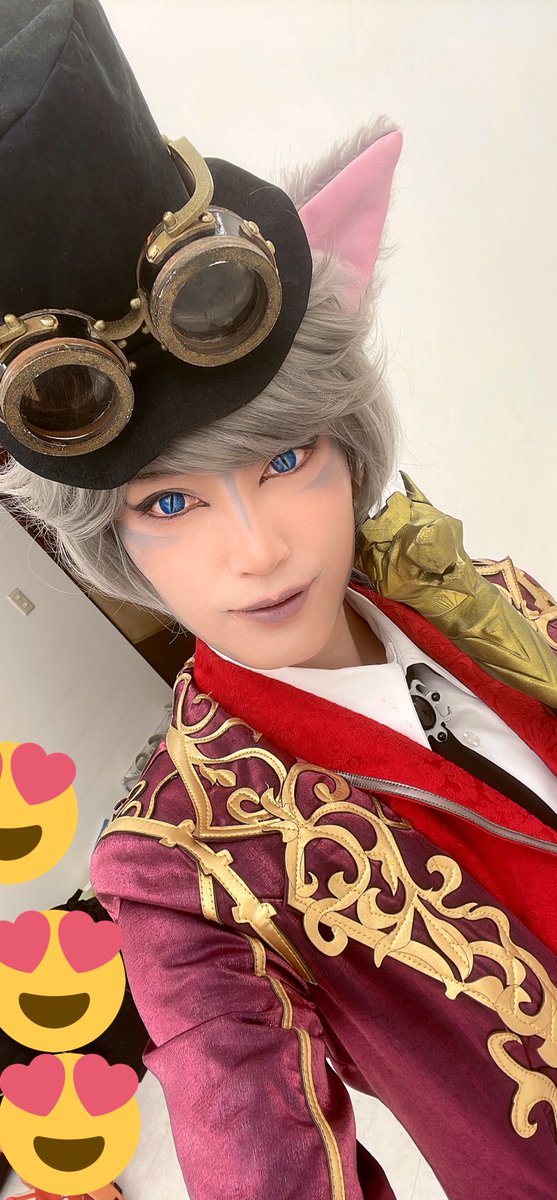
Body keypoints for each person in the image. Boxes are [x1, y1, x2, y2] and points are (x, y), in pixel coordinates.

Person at [0, 2, 556, 1198]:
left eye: (286, 458)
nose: (255, 552)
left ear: (346, 446)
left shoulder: (491, 596)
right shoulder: (177, 871)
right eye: (168, 503)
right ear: (111, 537)